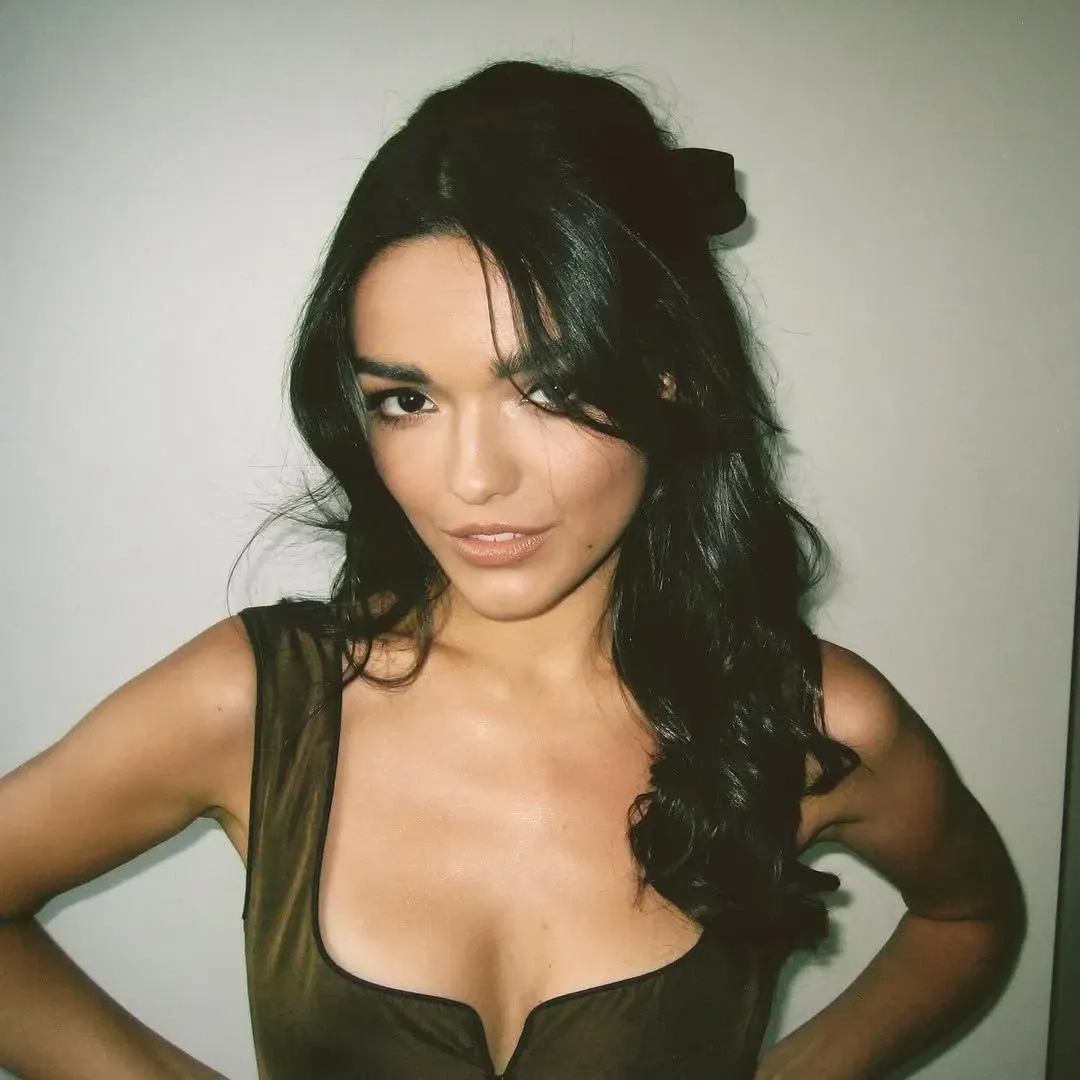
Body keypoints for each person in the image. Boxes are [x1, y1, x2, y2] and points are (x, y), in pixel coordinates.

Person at [0, 59, 1024, 1080]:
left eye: (548, 389)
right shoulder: (259, 703)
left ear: (669, 371)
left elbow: (968, 917)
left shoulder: (812, 721)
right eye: (408, 401)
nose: (474, 480)